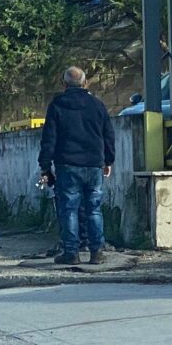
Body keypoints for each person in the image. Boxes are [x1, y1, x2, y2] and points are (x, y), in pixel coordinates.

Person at [39, 66, 115, 265]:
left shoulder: (57, 105)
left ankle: (71, 253)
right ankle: (97, 251)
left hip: (67, 165)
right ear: (85, 83)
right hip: (94, 165)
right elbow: (108, 135)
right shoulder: (97, 105)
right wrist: (108, 161)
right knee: (94, 209)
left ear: (63, 84)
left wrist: (45, 167)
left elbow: (49, 138)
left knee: (69, 209)